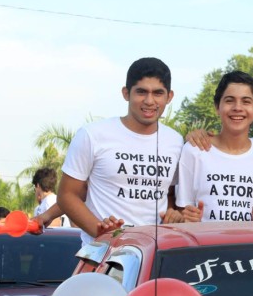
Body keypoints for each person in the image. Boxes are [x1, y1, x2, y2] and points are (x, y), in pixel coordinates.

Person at [56, 57, 184, 246]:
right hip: (101, 256)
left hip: (155, 255)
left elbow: (171, 195)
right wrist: (103, 232)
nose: (149, 101)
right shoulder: (93, 134)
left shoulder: (175, 141)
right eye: (141, 92)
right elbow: (67, 195)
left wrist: (175, 215)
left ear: (169, 96)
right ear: (126, 93)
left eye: (158, 93)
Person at [176, 70, 253, 222]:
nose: (237, 108)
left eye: (246, 101)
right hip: (204, 245)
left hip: (251, 245)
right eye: (229, 100)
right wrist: (187, 218)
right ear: (217, 107)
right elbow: (182, 209)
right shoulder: (194, 150)